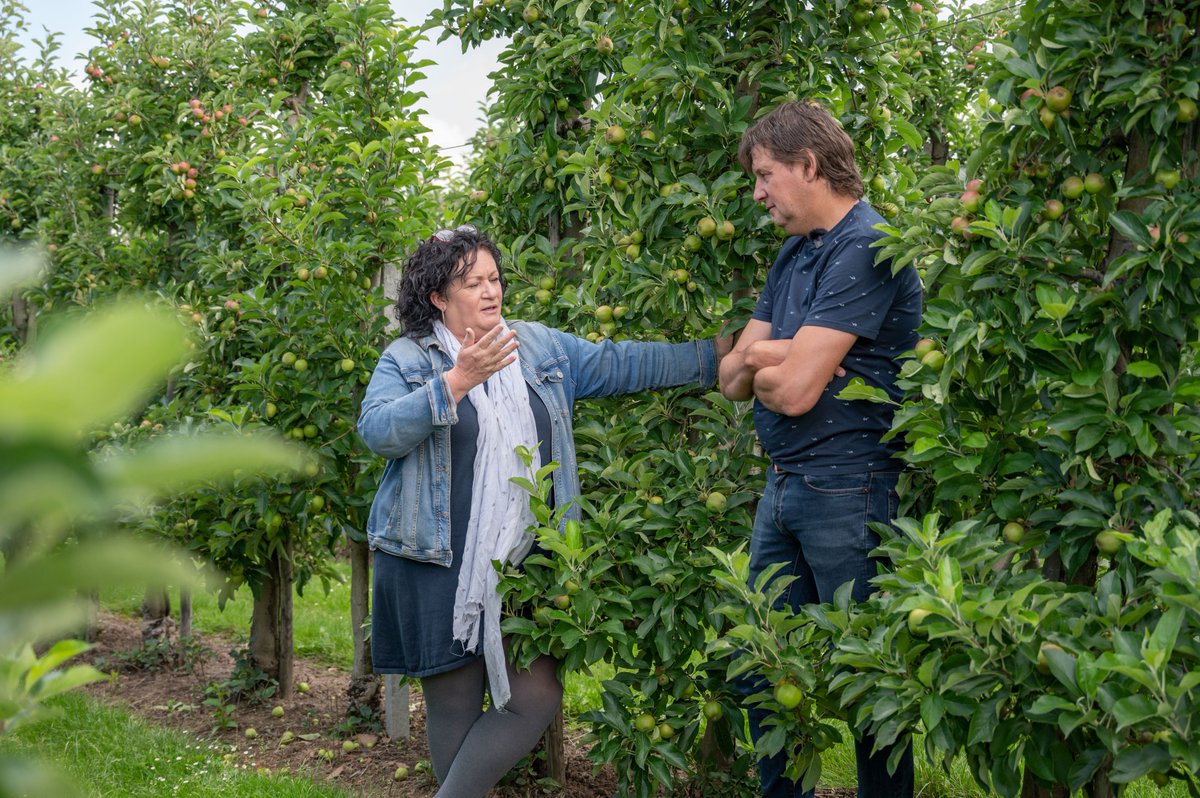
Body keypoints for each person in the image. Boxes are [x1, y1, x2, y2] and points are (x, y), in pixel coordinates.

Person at [357, 225, 727, 798]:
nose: (489, 291)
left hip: (525, 557)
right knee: (454, 709)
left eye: (494, 279)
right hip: (436, 561)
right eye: (471, 282)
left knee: (535, 696)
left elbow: (620, 364)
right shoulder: (407, 358)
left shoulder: (537, 346)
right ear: (438, 297)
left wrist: (713, 358)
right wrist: (456, 382)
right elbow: (377, 432)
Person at [718, 101, 923, 797]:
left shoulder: (866, 246)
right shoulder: (796, 251)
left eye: (766, 175)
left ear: (808, 165)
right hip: (783, 485)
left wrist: (770, 358)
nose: (757, 192)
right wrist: (777, 356)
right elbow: (731, 378)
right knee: (766, 668)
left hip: (849, 486)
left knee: (871, 686)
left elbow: (798, 390)